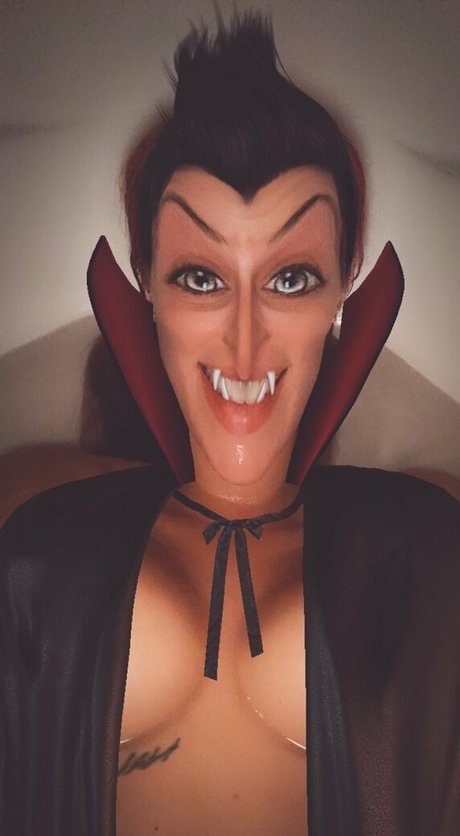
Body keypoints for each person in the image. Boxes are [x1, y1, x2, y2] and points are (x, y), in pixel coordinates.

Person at [1, 12, 459, 836]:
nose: (245, 345)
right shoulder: (36, 511)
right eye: (201, 277)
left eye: (291, 278)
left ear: (344, 283)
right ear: (145, 279)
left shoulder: (429, 535)